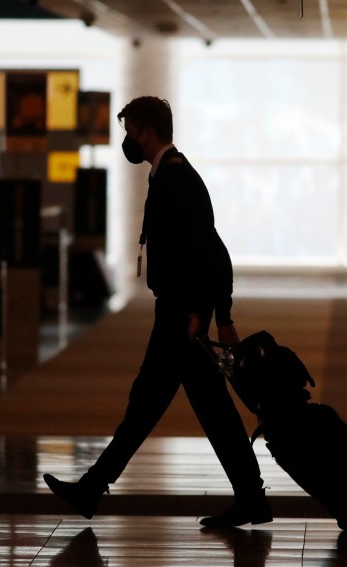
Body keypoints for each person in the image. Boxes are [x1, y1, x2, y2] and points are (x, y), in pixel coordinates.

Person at [43, 96, 271, 528]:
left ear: (147, 131)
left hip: (180, 317)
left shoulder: (177, 179)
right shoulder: (168, 175)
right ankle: (251, 497)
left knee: (149, 405)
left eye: (130, 129)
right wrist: (215, 314)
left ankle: (93, 487)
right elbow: (209, 251)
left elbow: (208, 253)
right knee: (203, 409)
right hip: (179, 313)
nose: (127, 138)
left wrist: (206, 314)